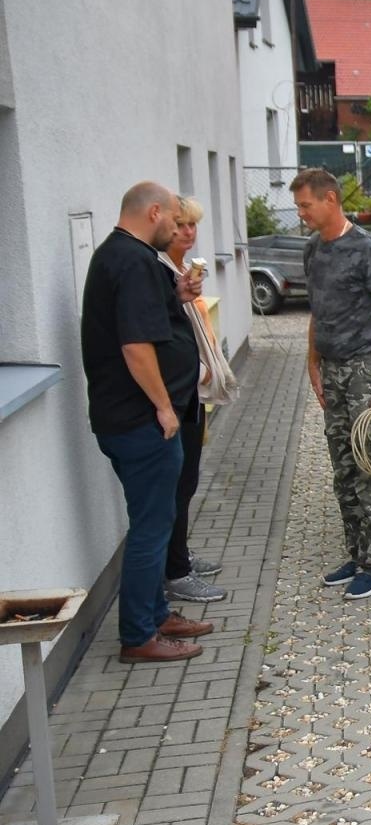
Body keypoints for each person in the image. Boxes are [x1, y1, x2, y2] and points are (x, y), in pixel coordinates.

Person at [80, 181, 216, 662]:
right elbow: (136, 348)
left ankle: (156, 614)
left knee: (154, 521)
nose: (180, 228)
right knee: (151, 527)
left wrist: (178, 293)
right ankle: (139, 635)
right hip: (141, 421)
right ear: (153, 212)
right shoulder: (133, 261)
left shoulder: (125, 256)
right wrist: (163, 406)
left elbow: (148, 320)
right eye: (176, 220)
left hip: (130, 419)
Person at [293, 168, 371, 601]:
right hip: (334, 368)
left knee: (368, 465)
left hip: (366, 367)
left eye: (305, 205)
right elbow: (318, 312)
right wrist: (313, 362)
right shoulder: (312, 251)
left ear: (329, 199)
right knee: (342, 467)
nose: (301, 213)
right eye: (299, 206)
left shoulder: (367, 251)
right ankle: (356, 553)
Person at [157, 197, 239, 605]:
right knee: (177, 484)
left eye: (193, 226)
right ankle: (175, 571)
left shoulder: (179, 273)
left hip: (190, 394)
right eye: (181, 225)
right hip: (175, 398)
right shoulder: (156, 271)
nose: (188, 233)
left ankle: (180, 556)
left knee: (187, 481)